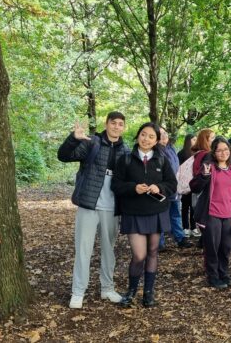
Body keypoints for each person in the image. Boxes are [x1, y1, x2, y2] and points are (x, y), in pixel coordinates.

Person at [57, 112, 128, 309]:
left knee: (109, 250)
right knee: (83, 250)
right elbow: (63, 156)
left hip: (112, 208)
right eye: (113, 123)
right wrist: (73, 139)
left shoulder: (126, 151)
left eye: (120, 124)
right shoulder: (92, 143)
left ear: (124, 128)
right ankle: (78, 292)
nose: (116, 127)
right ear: (106, 124)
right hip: (89, 205)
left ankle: (107, 288)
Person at [111, 122, 178, 308]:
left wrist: (160, 187)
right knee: (139, 255)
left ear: (156, 140)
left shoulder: (162, 159)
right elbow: (115, 185)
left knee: (153, 252)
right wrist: (133, 188)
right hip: (133, 213)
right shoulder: (125, 159)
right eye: (143, 134)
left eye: (151, 136)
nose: (146, 139)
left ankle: (148, 293)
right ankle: (131, 291)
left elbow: (172, 184)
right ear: (138, 135)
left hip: (156, 212)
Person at [190, 137, 231, 289]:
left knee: (226, 246)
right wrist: (204, 176)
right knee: (212, 246)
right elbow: (194, 187)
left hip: (228, 215)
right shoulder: (209, 167)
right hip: (211, 214)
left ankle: (223, 272)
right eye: (219, 150)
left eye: (226, 149)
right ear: (213, 152)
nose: (223, 153)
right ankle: (213, 275)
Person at [159, 127, 194, 249]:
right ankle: (159, 243)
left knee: (175, 213)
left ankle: (180, 238)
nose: (164, 136)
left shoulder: (171, 148)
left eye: (165, 133)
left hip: (174, 187)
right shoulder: (156, 150)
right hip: (162, 188)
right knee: (162, 215)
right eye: (160, 133)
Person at [188, 128, 216, 238]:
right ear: (206, 140)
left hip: (197, 189)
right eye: (212, 138)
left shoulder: (197, 153)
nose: (214, 140)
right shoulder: (207, 154)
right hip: (204, 191)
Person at [178, 134, 197, 238]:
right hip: (185, 184)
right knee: (185, 207)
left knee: (193, 206)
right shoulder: (181, 153)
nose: (196, 141)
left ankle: (193, 227)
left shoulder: (197, 153)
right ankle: (185, 227)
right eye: (194, 139)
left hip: (194, 184)